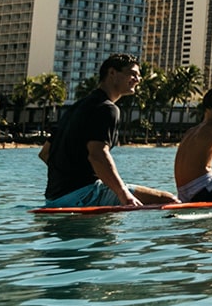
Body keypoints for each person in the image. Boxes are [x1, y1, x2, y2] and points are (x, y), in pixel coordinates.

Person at [41, 54, 178, 208]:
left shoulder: (76, 108)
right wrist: (122, 193)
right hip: (84, 195)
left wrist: (67, 177)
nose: (138, 79)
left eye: (139, 76)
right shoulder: (107, 108)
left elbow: (45, 153)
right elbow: (97, 155)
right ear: (112, 73)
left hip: (54, 199)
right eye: (132, 73)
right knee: (169, 201)